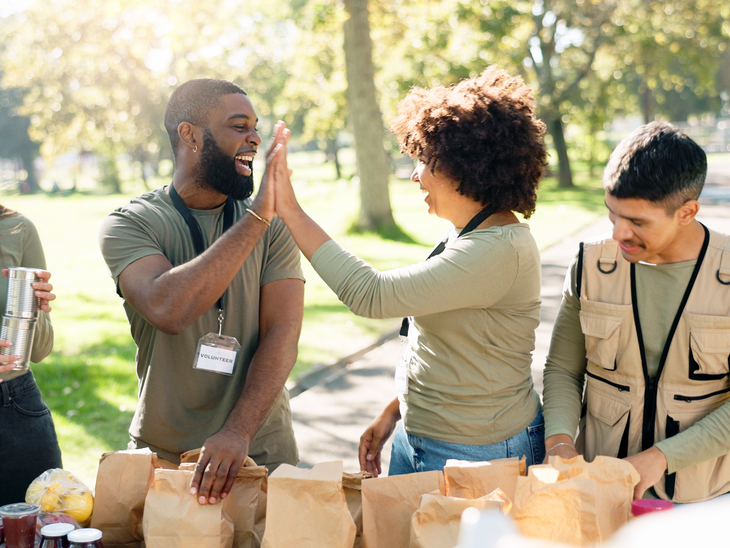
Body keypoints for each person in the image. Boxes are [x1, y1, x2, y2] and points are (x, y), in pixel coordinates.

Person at [272, 66, 547, 476]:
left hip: (479, 454)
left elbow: (372, 294)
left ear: (466, 167)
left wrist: (290, 210)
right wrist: (394, 413)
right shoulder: (470, 234)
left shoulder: (498, 251)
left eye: (425, 160)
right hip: (420, 437)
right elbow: (448, 350)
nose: (415, 174)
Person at [99, 79, 303, 505]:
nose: (255, 138)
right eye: (238, 125)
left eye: (256, 126)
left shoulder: (271, 225)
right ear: (189, 135)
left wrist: (237, 431)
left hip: (260, 451)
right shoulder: (131, 223)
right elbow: (167, 308)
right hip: (167, 460)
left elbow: (283, 335)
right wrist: (257, 218)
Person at [542, 122, 730, 503]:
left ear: (686, 212)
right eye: (612, 215)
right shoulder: (589, 266)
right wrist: (559, 440)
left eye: (637, 222)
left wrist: (662, 457)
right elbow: (563, 369)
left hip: (705, 503)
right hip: (600, 495)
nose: (618, 234)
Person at [0, 204, 59, 505]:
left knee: (41, 526)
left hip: (14, 404)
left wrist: (35, 307)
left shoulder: (17, 229)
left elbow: (41, 350)